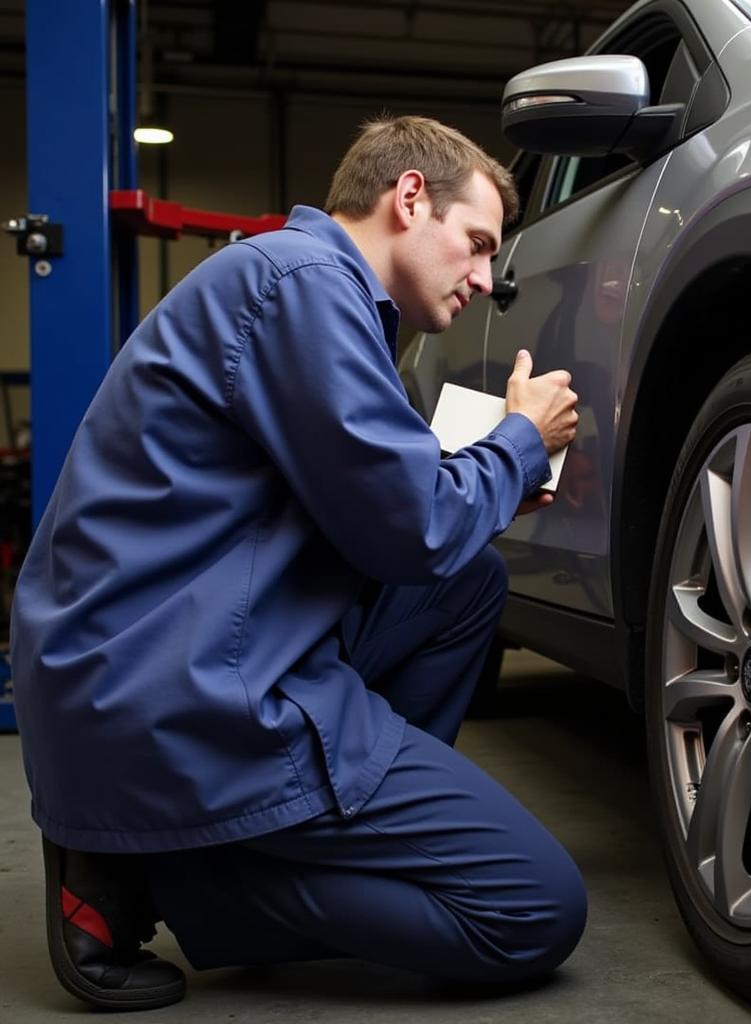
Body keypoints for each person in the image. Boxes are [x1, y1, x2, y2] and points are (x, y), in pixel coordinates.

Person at [11, 115, 584, 1012]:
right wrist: (518, 443)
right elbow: (412, 527)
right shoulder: (303, 285)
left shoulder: (302, 288)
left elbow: (394, 515)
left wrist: (482, 484)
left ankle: (304, 833)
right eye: (475, 244)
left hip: (159, 656)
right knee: (532, 911)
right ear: (407, 199)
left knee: (469, 584)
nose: (485, 278)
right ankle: (176, 873)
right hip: (166, 690)